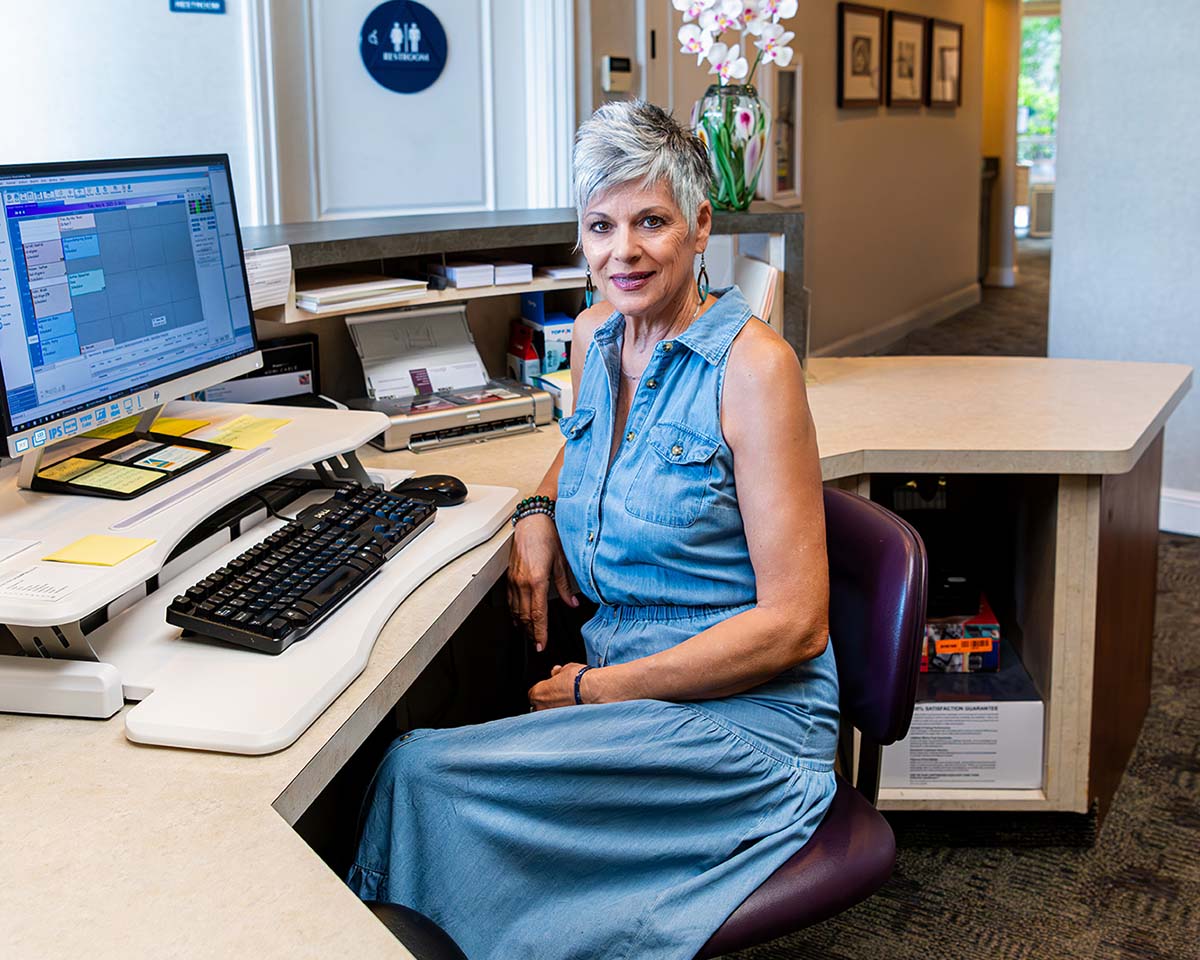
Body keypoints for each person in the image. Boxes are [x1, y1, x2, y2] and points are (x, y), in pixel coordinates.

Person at [348, 99, 839, 960]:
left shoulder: (756, 369)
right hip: (631, 700)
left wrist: (596, 692)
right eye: (600, 225)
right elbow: (589, 458)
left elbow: (798, 626)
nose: (625, 251)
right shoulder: (593, 336)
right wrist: (539, 510)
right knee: (424, 779)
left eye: (651, 221)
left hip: (742, 725)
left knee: (419, 771)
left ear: (699, 225)